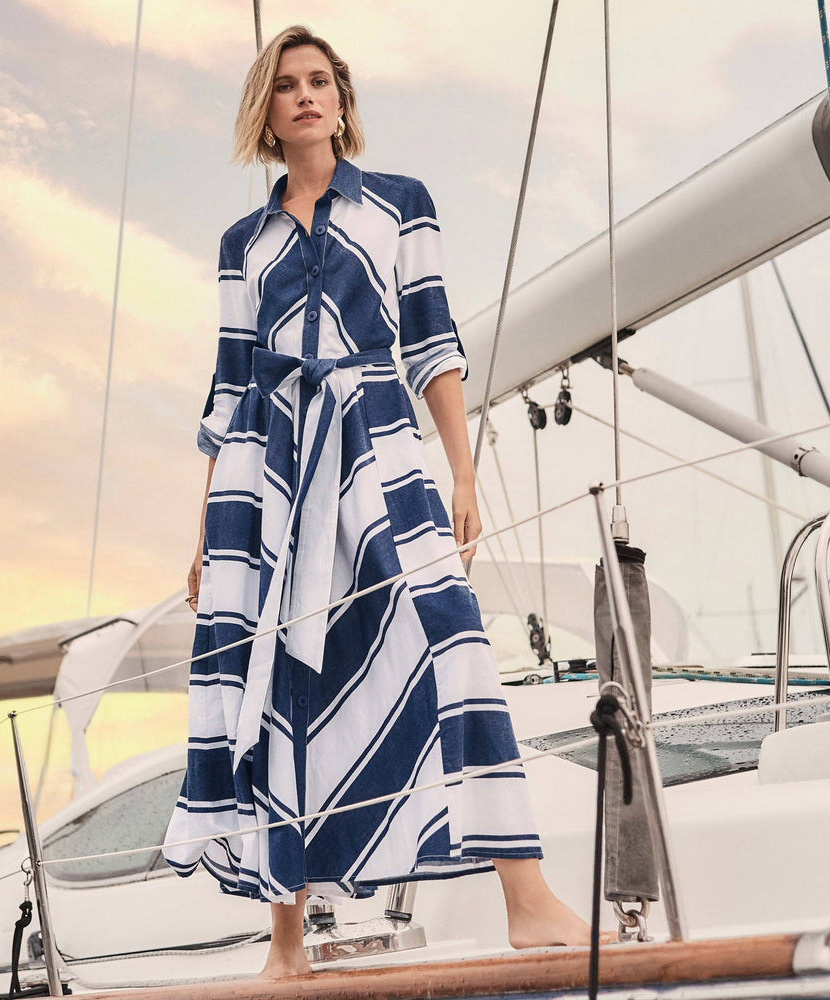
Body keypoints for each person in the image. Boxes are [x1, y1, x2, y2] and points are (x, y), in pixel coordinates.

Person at [163, 24, 594, 980]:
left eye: (320, 82)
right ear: (266, 113)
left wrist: (464, 470)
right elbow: (230, 388)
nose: (306, 96)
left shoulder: (401, 205)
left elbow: (433, 342)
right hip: (267, 469)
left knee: (452, 638)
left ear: (344, 100)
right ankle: (285, 950)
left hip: (381, 442)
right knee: (278, 684)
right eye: (287, 87)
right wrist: (205, 535)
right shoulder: (245, 241)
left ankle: (526, 897)